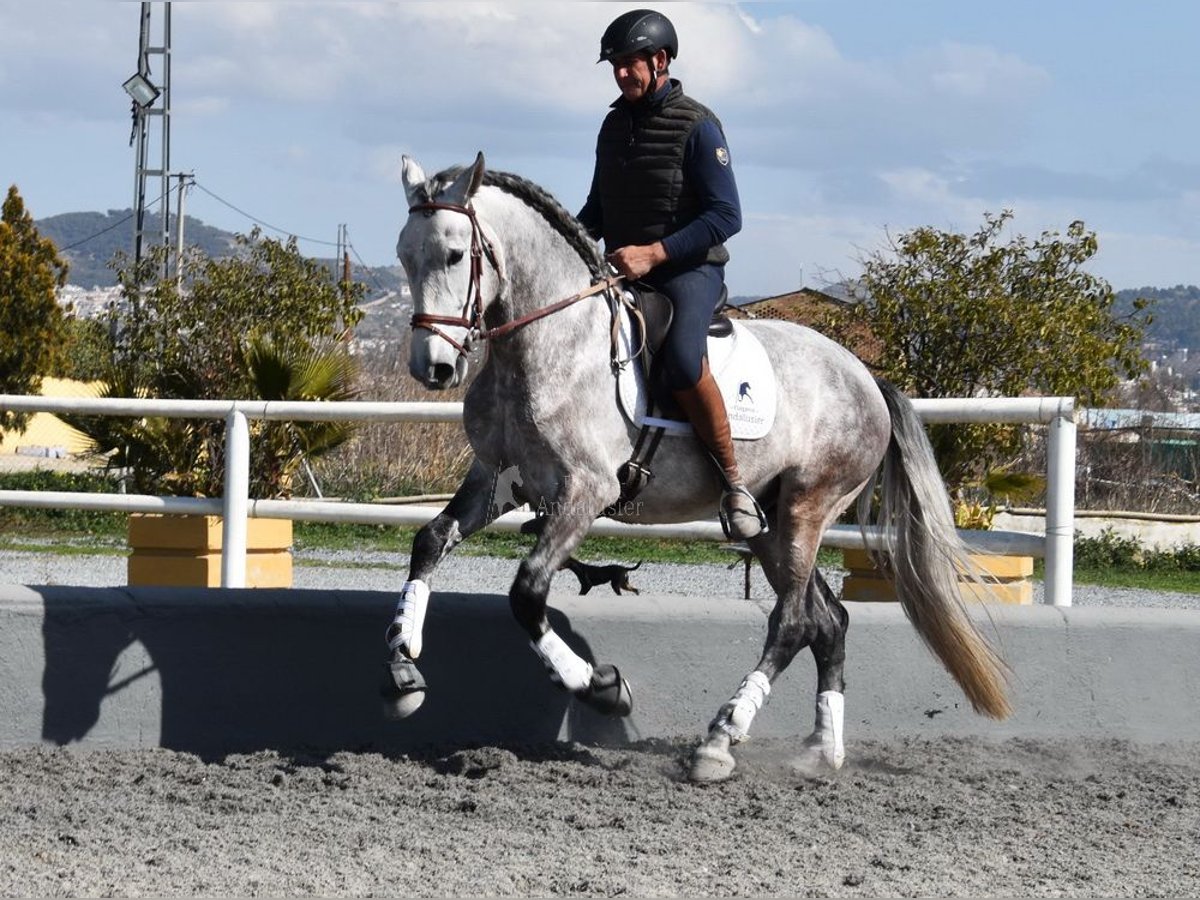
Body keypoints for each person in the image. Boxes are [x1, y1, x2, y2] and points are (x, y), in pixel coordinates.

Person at [578, 8, 768, 541]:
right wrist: (564, 241)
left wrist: (654, 254)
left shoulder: (699, 126)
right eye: (614, 66)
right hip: (624, 270)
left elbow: (726, 216)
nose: (619, 74)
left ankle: (734, 484)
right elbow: (597, 209)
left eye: (628, 64)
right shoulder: (613, 125)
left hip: (688, 272)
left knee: (683, 360)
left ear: (660, 61)